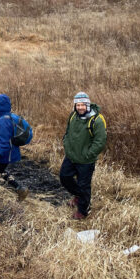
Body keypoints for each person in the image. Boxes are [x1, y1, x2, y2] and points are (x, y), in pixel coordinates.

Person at [60, 92, 107, 220]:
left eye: (83, 105)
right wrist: (66, 144)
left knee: (84, 185)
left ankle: (82, 211)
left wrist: (88, 154)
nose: (80, 107)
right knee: (64, 177)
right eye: (78, 105)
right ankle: (79, 196)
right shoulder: (73, 116)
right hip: (71, 156)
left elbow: (100, 141)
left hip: (86, 160)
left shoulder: (97, 120)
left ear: (88, 105)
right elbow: (68, 132)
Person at [0, 94, 29, 201]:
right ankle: (20, 189)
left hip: (5, 154)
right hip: (7, 152)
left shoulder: (3, 121)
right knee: (0, 172)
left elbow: (4, 142)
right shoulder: (4, 117)